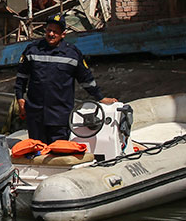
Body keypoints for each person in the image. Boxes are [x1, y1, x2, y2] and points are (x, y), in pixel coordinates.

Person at [14, 12, 117, 144]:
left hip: (60, 117)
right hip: (35, 115)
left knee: (59, 154)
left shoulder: (72, 54)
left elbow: (86, 79)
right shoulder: (32, 50)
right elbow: (21, 78)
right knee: (37, 153)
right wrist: (20, 99)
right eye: (49, 30)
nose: (51, 34)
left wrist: (100, 98)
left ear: (63, 34)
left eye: (55, 32)